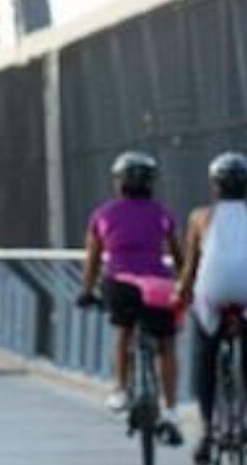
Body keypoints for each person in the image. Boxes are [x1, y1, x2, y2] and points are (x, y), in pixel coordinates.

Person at [176, 151, 247, 465]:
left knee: (206, 348)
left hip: (214, 290)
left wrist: (181, 293)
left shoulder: (199, 218)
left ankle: (207, 429)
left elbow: (191, 268)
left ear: (214, 185)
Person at [77, 150, 185, 444]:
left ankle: (121, 390)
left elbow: (93, 259)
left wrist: (87, 291)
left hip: (120, 284)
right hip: (158, 287)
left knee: (124, 330)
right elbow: (178, 256)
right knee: (166, 344)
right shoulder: (162, 214)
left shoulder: (102, 215)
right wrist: (184, 286)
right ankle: (172, 410)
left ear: (119, 183)